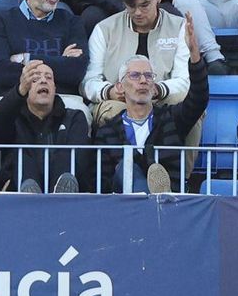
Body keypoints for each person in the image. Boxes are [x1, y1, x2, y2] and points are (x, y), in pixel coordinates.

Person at [87, 53, 208, 194]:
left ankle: (158, 197)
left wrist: (194, 56)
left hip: (171, 207)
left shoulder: (171, 119)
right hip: (124, 207)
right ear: (120, 87)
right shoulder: (108, 132)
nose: (143, 80)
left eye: (149, 76)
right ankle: (153, 199)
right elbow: (101, 183)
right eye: (135, 75)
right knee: (125, 169)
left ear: (154, 86)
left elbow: (198, 99)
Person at [81, 0, 194, 115]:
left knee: (190, 112)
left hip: (163, 101)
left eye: (144, 5)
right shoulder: (104, 29)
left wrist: (157, 89)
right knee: (111, 112)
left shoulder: (179, 27)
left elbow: (184, 81)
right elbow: (88, 81)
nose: (138, 12)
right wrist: (110, 91)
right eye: (131, 6)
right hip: (118, 102)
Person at [0, 59, 89, 193]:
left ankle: (62, 190)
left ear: (55, 88)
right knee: (22, 156)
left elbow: (80, 158)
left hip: (67, 197)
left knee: (67, 154)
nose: (43, 81)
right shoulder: (12, 117)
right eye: (35, 78)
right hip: (18, 195)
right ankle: (29, 190)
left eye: (49, 77)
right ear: (26, 87)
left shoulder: (74, 117)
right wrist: (19, 90)